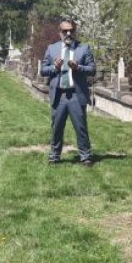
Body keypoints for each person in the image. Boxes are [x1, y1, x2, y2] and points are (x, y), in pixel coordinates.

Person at [40, 19, 96, 166]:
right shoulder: (52, 48)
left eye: (71, 30)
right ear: (60, 33)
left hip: (76, 94)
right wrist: (54, 67)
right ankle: (54, 155)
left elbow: (92, 69)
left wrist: (78, 67)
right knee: (56, 127)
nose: (68, 33)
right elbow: (43, 70)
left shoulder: (83, 48)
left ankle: (85, 156)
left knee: (80, 127)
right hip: (59, 95)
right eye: (65, 31)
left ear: (75, 31)